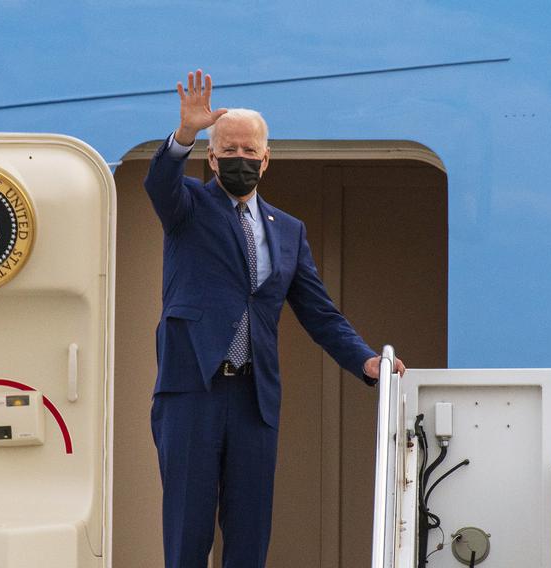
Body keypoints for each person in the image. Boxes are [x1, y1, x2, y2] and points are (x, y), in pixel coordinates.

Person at [145, 69, 406, 568]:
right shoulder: (188, 207)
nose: (240, 159)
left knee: (249, 533)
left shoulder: (288, 230)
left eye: (250, 152)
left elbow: (318, 312)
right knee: (187, 530)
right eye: (230, 151)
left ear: (266, 161)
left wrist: (367, 362)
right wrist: (184, 134)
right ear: (213, 158)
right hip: (191, 390)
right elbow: (159, 182)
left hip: (253, 398)